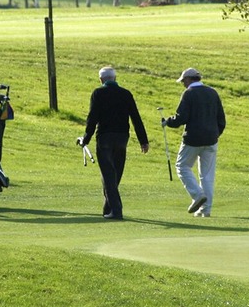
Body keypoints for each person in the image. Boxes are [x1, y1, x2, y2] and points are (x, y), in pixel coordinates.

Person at [79, 66, 150, 220]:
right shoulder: (126, 94)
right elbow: (136, 118)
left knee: (108, 175)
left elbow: (92, 118)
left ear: (101, 79)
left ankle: (116, 211)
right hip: (122, 138)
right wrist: (143, 141)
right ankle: (108, 208)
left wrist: (86, 138)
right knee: (115, 174)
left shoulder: (98, 93)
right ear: (115, 78)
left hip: (104, 137)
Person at [162, 67, 225, 217]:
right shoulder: (212, 92)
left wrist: (167, 122)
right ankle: (205, 209)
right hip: (211, 139)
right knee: (207, 175)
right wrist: (215, 134)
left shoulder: (189, 93)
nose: (183, 83)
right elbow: (221, 119)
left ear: (189, 79)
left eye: (183, 81)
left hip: (193, 139)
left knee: (182, 166)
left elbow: (181, 118)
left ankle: (197, 195)